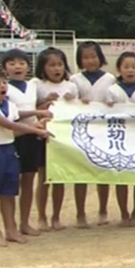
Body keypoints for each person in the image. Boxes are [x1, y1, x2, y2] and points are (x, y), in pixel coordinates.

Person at [0, 67, 49, 247]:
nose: (3, 86)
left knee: (9, 193)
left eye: (4, 82)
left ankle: (11, 230)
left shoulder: (10, 104)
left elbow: (18, 116)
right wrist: (36, 129)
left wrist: (38, 114)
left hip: (8, 151)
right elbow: (8, 124)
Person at [70, 41, 118, 226]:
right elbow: (68, 103)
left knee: (102, 172)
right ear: (80, 60)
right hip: (82, 132)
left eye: (93, 56)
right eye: (86, 57)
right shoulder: (75, 80)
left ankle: (103, 210)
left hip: (104, 131)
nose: (90, 61)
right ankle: (80, 213)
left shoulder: (110, 79)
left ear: (100, 58)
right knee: (80, 174)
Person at [3, 49, 48, 236]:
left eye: (21, 63)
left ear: (28, 67)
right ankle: (10, 225)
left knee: (29, 180)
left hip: (31, 138)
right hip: (12, 139)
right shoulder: (4, 87)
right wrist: (37, 114)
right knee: (12, 182)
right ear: (5, 68)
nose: (17, 66)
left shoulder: (32, 86)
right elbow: (12, 114)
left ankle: (24, 222)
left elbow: (36, 107)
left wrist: (46, 106)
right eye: (12, 63)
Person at [34, 47, 79, 230]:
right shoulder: (36, 85)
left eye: (59, 64)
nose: (56, 69)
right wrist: (44, 102)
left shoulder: (71, 87)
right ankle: (41, 216)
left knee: (59, 178)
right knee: (44, 178)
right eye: (51, 65)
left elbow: (80, 112)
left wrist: (72, 102)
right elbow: (32, 110)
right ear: (43, 67)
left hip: (64, 139)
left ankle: (56, 216)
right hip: (43, 139)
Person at [105, 52, 135, 226]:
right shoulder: (112, 91)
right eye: (126, 67)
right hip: (120, 138)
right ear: (119, 69)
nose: (130, 70)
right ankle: (124, 213)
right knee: (121, 177)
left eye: (134, 67)